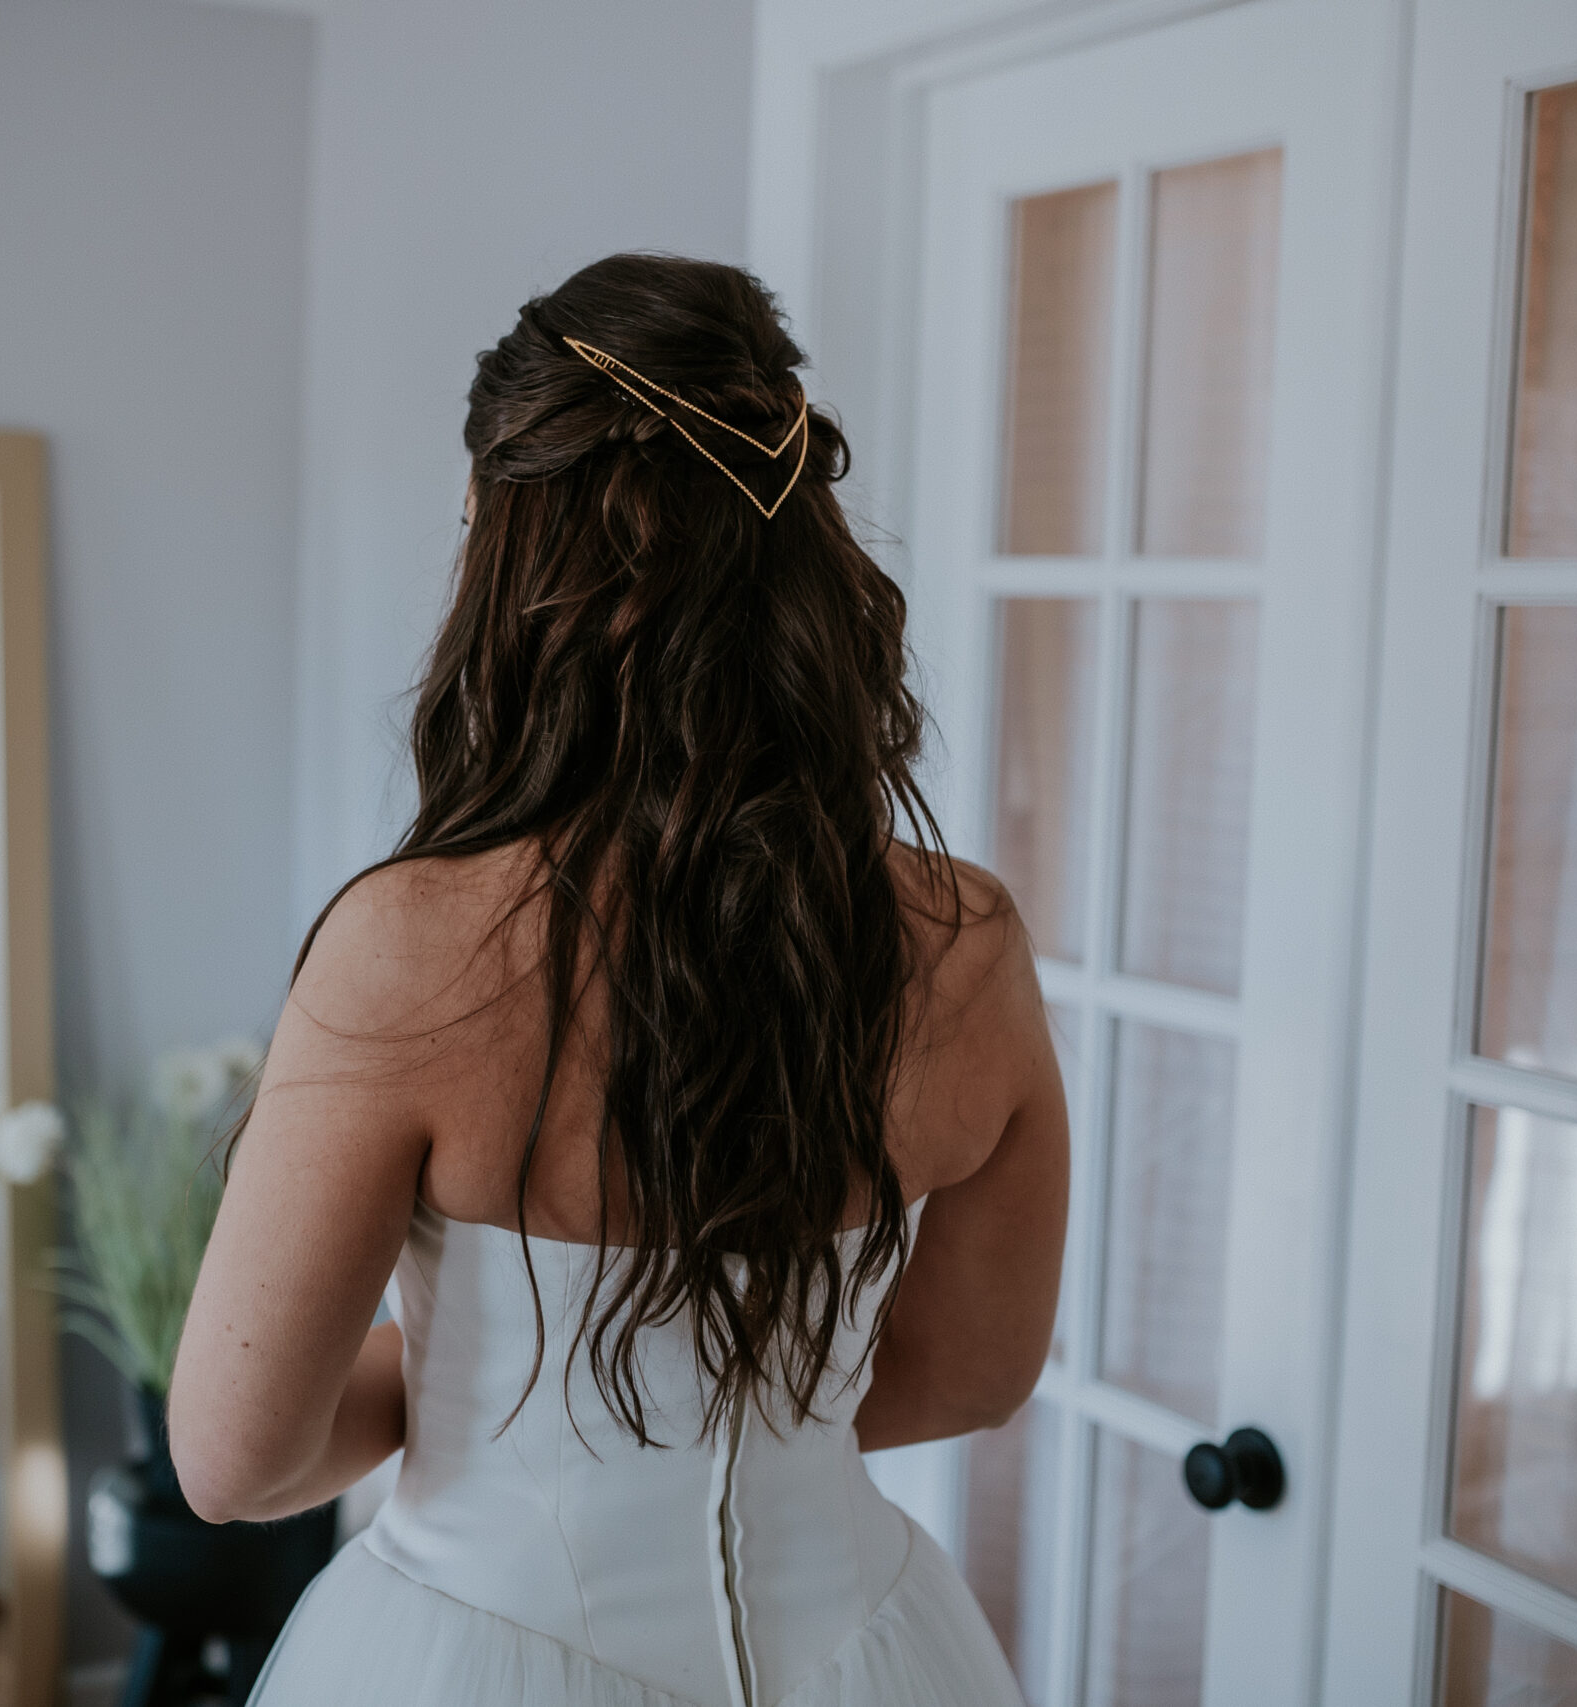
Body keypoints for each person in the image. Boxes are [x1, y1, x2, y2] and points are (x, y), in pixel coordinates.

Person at [171, 254, 1064, 1706]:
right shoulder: (966, 940)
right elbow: (971, 1369)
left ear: (507, 553)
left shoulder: (411, 949)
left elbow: (236, 1458)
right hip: (871, 1651)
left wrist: (476, 1385)